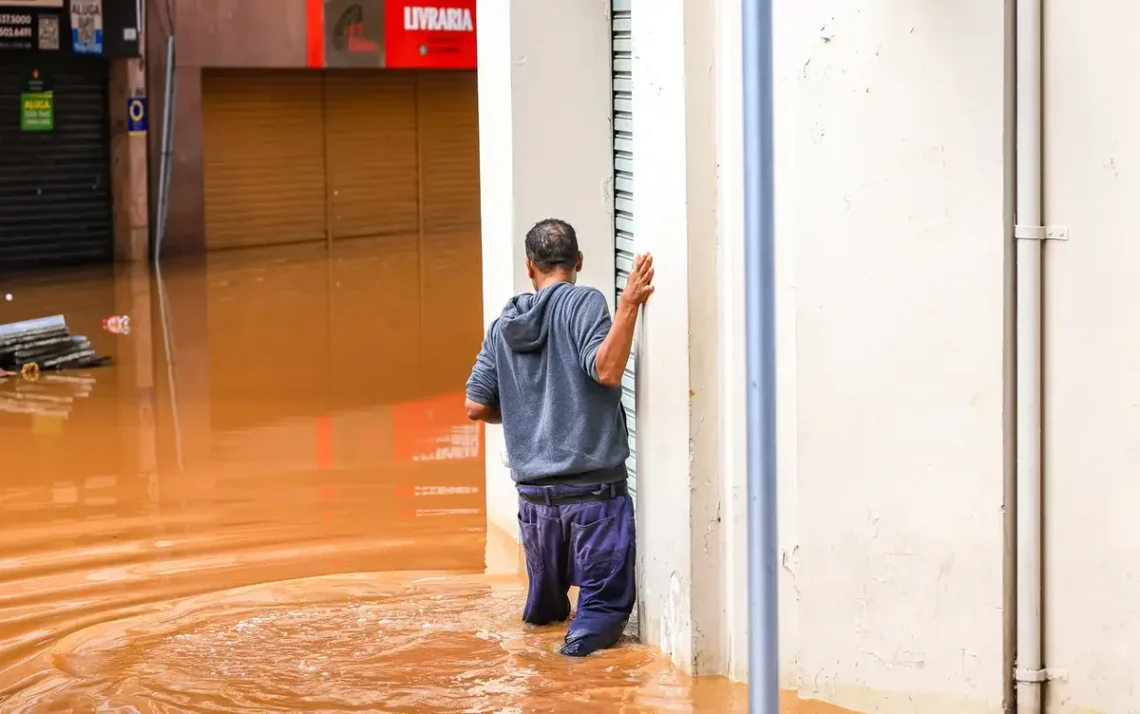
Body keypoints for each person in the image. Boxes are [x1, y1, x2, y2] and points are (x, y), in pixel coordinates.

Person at [464, 218, 655, 657]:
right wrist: (628, 307)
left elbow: (475, 406)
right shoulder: (584, 303)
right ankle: (568, 690)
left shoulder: (502, 326)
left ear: (530, 267)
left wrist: (522, 414)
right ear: (579, 262)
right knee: (595, 627)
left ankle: (538, 689)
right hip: (594, 500)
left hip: (534, 506)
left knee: (544, 620)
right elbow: (606, 371)